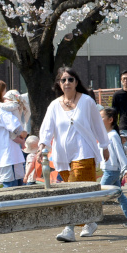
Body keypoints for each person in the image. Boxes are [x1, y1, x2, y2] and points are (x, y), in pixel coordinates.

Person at [38, 67, 111, 242]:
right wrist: (43, 147)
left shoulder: (86, 101)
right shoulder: (54, 105)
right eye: (63, 80)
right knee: (79, 191)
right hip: (63, 156)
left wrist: (105, 145)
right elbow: (47, 129)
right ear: (59, 84)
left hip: (84, 152)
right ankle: (90, 221)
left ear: (76, 82)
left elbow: (97, 125)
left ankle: (69, 228)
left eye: (70, 79)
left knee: (73, 191)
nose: (67, 83)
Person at [99, 107, 127, 228]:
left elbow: (120, 153)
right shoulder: (108, 135)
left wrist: (126, 170)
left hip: (111, 171)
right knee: (119, 195)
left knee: (99, 196)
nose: (99, 119)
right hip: (111, 170)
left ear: (110, 120)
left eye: (101, 117)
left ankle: (90, 222)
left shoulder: (113, 135)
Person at [0, 81, 28, 188]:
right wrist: (23, 133)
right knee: (12, 188)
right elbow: (14, 126)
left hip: (4, 154)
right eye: (4, 90)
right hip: (8, 155)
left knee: (13, 185)